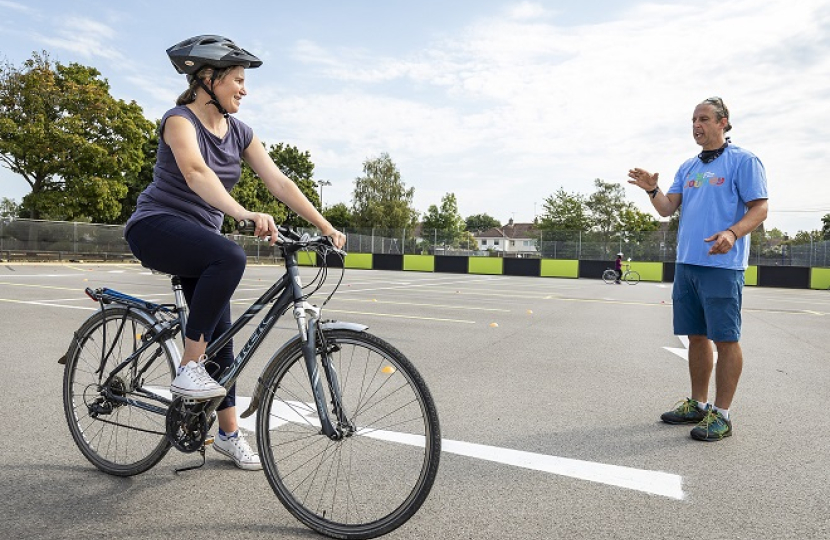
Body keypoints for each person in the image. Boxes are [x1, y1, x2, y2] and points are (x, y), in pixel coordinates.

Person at [124, 35, 346, 469]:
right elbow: (195, 172)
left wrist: (325, 225)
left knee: (223, 342)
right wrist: (243, 214)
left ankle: (227, 435)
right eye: (238, 80)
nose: (244, 89)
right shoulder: (179, 120)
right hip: (156, 228)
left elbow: (279, 182)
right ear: (207, 79)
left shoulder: (240, 131)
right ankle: (189, 368)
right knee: (231, 256)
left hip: (200, 244)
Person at [627, 96, 768, 441]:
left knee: (726, 338)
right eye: (693, 119)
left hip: (722, 265)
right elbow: (666, 209)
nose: (696, 125)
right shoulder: (688, 167)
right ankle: (698, 404)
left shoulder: (744, 161)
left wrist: (733, 233)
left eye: (704, 118)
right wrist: (652, 189)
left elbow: (760, 208)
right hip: (687, 264)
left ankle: (722, 415)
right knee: (696, 336)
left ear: (723, 122)